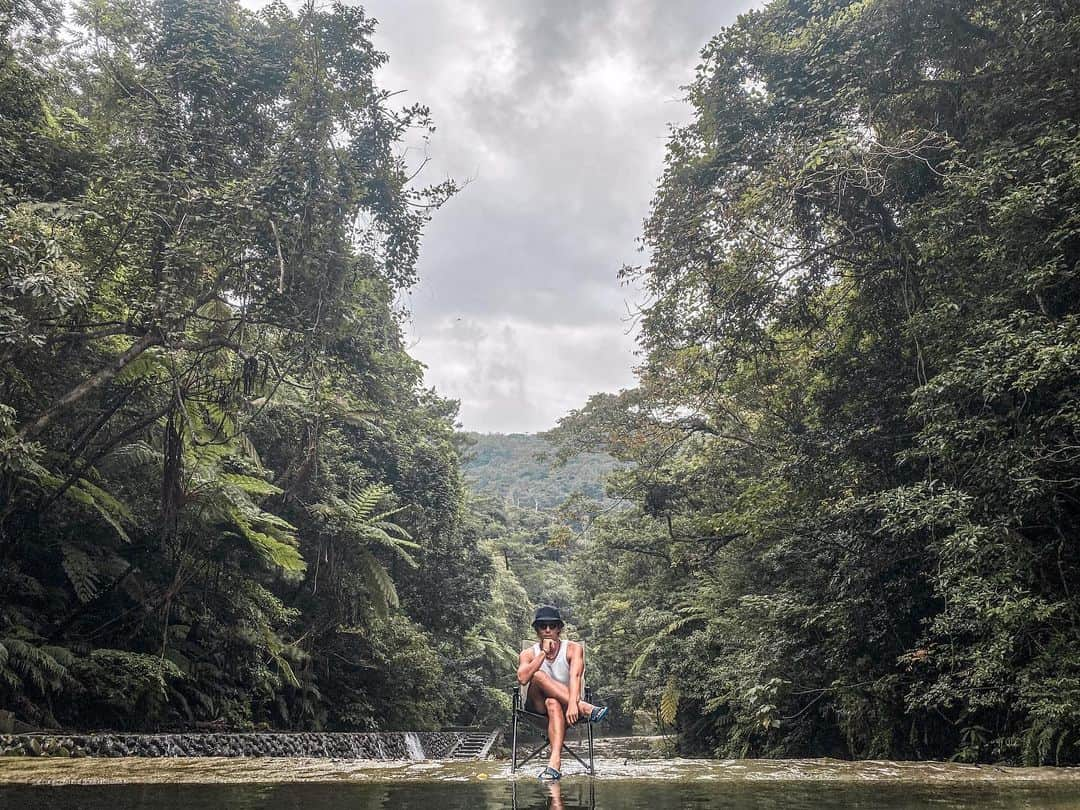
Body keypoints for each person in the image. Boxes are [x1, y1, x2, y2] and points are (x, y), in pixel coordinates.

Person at [516, 605, 608, 781]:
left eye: (552, 626)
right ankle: (586, 708)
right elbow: (522, 678)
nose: (548, 630)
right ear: (537, 630)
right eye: (543, 626)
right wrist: (543, 653)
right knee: (538, 675)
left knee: (553, 703)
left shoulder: (573, 649)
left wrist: (573, 704)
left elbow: (575, 676)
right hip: (536, 707)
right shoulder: (528, 653)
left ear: (559, 628)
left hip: (566, 708)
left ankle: (554, 764)